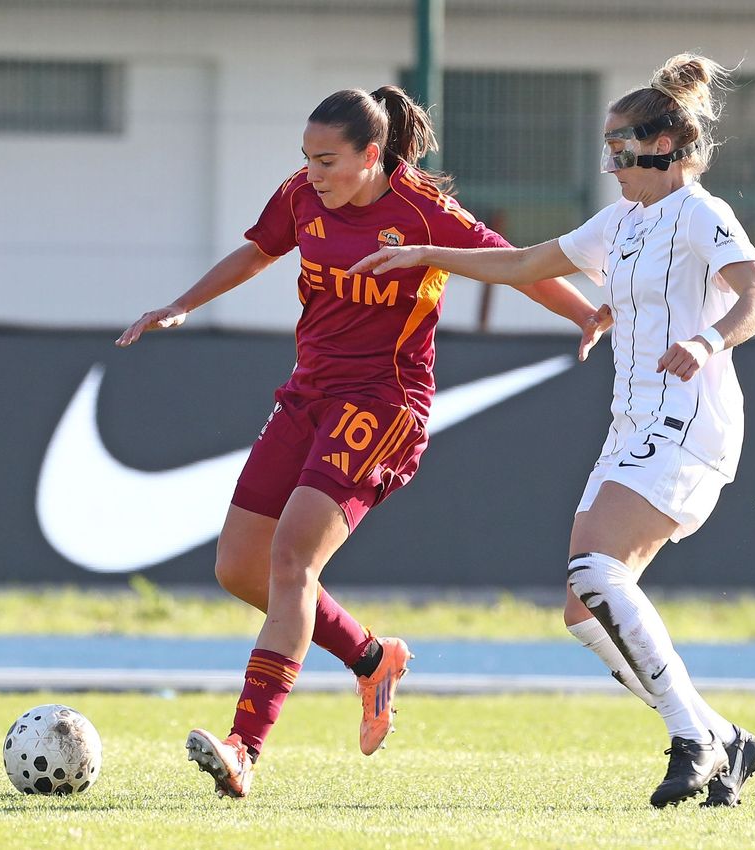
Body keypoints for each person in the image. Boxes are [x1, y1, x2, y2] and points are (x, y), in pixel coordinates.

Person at [115, 86, 611, 798]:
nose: (311, 173)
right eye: (306, 158)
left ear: (371, 155)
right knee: (239, 568)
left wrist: (584, 314)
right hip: (305, 396)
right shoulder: (301, 196)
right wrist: (180, 306)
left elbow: (511, 262)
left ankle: (242, 748)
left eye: (327, 160)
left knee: (291, 562)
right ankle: (372, 658)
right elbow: (258, 250)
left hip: (382, 406)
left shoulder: (422, 214)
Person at [351, 55, 755, 808]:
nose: (611, 165)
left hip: (689, 417)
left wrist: (709, 341)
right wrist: (424, 253)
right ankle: (721, 735)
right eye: (606, 149)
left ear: (667, 147)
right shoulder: (621, 221)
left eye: (621, 150)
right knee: (582, 610)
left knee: (595, 574)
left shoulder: (701, 213)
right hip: (633, 421)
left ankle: (694, 739)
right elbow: (523, 262)